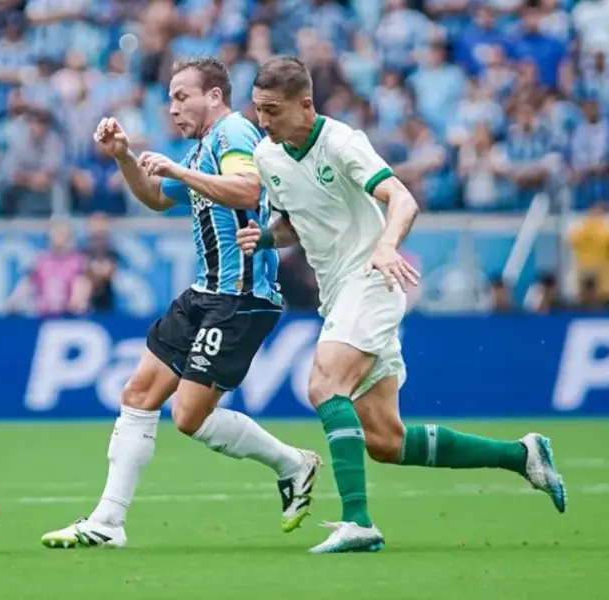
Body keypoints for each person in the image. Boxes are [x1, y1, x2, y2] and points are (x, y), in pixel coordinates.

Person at [239, 55, 566, 554]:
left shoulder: (343, 142)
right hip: (339, 294)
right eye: (258, 109)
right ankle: (523, 456)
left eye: (272, 110)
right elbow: (294, 222)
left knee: (325, 384)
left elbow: (403, 199)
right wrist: (264, 238)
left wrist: (387, 245)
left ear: (306, 105)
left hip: (372, 279)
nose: (263, 121)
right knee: (385, 441)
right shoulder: (269, 155)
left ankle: (359, 522)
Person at [41, 57, 320, 549]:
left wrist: (176, 169)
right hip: (205, 293)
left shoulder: (234, 131)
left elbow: (248, 187)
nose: (172, 108)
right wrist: (125, 156)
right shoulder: (199, 151)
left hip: (240, 297)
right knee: (139, 393)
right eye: (170, 98)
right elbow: (154, 196)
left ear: (214, 96)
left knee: (189, 416)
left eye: (181, 96)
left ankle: (293, 464)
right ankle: (108, 522)